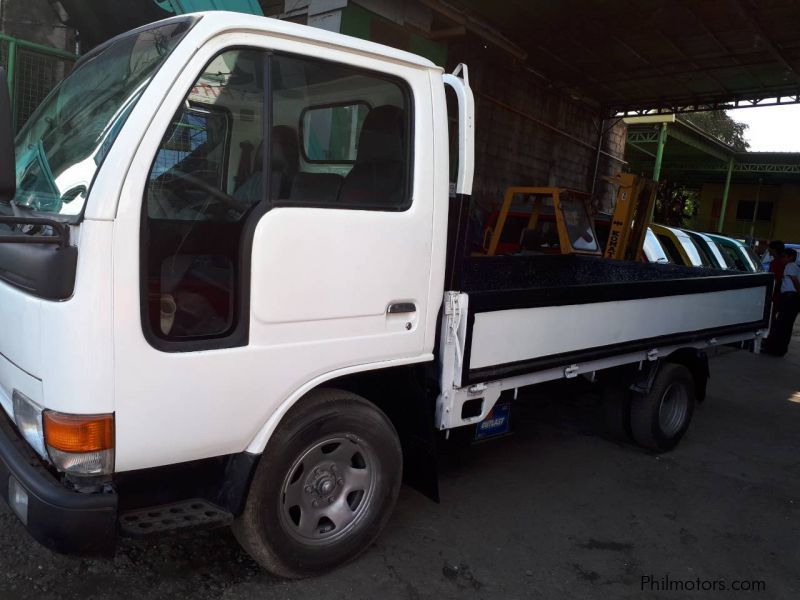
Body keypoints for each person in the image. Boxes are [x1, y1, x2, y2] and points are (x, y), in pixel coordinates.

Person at [764, 248, 800, 357]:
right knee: (785, 325)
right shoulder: (794, 267)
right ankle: (779, 349)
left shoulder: (790, 266)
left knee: (782, 324)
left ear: (791, 257)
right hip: (791, 298)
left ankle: (777, 348)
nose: (781, 259)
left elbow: (794, 280)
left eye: (784, 256)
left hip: (790, 297)